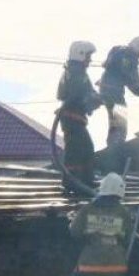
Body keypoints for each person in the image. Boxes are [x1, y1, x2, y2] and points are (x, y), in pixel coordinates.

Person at [69, 173, 132, 276]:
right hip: (113, 263)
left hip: (89, 262)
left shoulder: (87, 209)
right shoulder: (123, 211)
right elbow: (129, 237)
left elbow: (75, 232)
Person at [56, 41, 102, 194]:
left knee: (86, 148)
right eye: (88, 56)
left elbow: (87, 92)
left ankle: (85, 180)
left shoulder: (79, 72)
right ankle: (72, 182)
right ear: (80, 54)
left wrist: (96, 97)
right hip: (71, 117)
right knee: (76, 150)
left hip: (76, 118)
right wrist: (93, 99)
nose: (90, 60)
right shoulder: (75, 72)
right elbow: (79, 95)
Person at [97, 36, 139, 148]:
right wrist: (138, 89)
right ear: (137, 47)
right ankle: (116, 144)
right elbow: (128, 75)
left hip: (105, 88)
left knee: (114, 117)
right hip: (113, 90)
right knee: (120, 116)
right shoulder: (128, 57)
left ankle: (113, 143)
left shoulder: (119, 52)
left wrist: (137, 87)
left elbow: (123, 72)